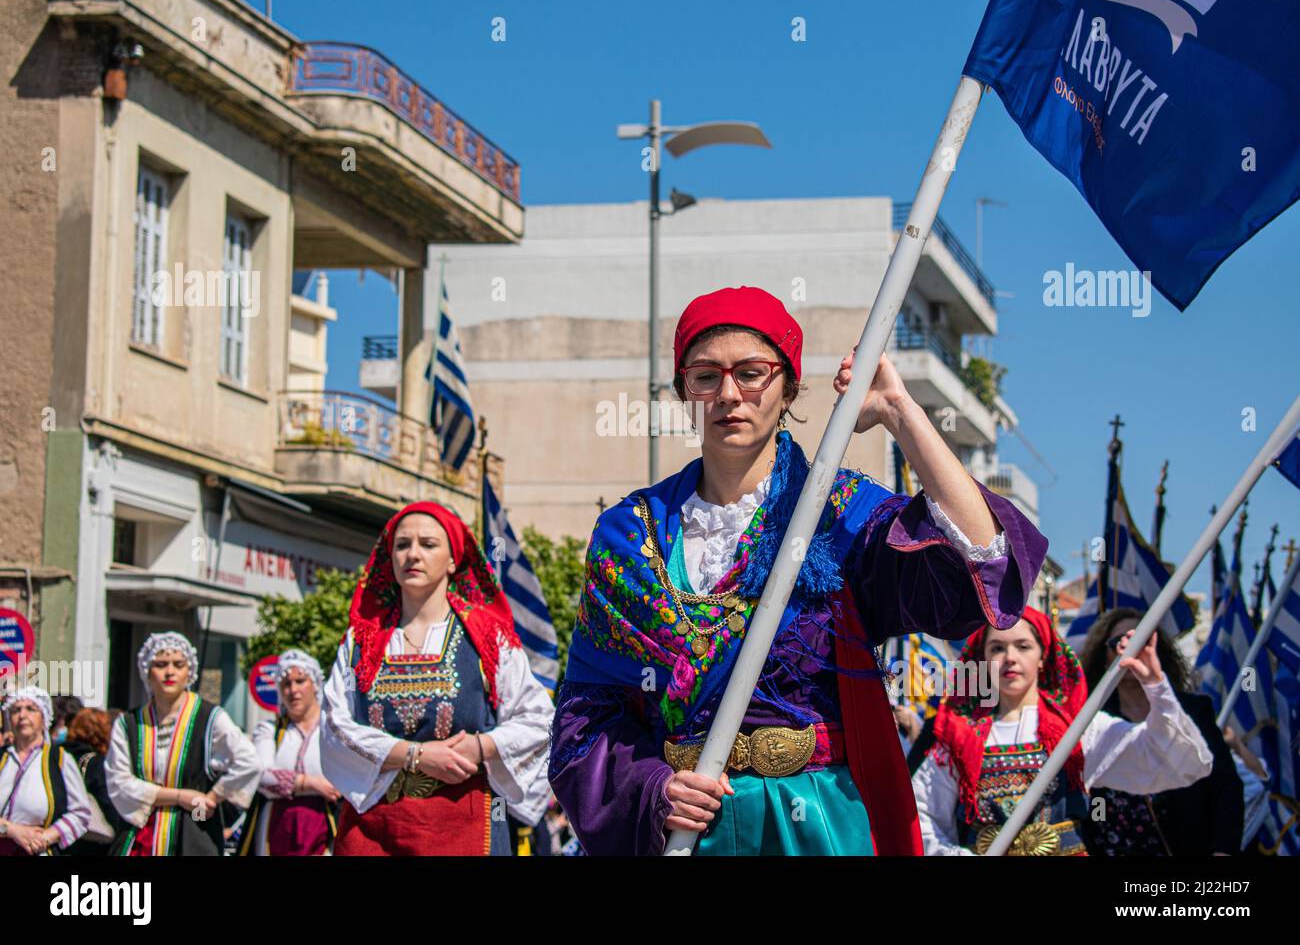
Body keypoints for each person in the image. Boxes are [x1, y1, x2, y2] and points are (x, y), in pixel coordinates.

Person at [548, 285, 1048, 856]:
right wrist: (654, 788)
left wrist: (899, 412)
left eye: (752, 373)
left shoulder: (837, 513)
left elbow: (982, 558)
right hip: (687, 829)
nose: (728, 394)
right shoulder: (627, 533)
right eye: (705, 376)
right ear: (683, 391)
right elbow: (587, 716)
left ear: (788, 386)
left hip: (816, 827)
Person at [320, 501, 554, 855]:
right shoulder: (362, 639)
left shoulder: (488, 637)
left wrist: (480, 746)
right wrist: (413, 755)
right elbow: (334, 725)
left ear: (452, 559)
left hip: (465, 825)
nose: (412, 554)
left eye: (428, 544)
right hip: (374, 830)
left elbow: (539, 720)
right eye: (402, 545)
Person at [912, 607, 1213, 855]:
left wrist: (1155, 685)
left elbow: (1171, 762)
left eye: (1023, 646)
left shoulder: (1078, 729)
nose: (1010, 657)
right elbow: (921, 814)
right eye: (997, 648)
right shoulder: (959, 736)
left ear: (1042, 657)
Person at [1079, 607, 1243, 855]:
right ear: (1104, 656)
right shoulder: (1089, 720)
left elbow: (1225, 785)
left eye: (1140, 641)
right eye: (1118, 642)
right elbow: (1088, 800)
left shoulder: (1192, 712)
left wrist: (1222, 850)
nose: (1130, 650)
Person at [104, 631, 260, 855]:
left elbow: (249, 761)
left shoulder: (210, 718)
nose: (170, 672)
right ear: (147, 672)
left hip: (194, 824)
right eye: (161, 664)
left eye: (178, 664)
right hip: (141, 830)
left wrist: (212, 797)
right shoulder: (129, 723)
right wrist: (179, 796)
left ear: (190, 672)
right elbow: (118, 780)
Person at [240, 649, 340, 855]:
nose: (293, 690)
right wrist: (311, 783)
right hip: (278, 827)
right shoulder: (270, 730)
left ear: (315, 684)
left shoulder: (334, 729)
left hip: (325, 824)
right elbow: (262, 774)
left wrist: (287, 782)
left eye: (300, 681)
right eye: (286, 684)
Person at [0, 686, 93, 855]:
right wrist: (11, 830)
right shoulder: (2, 757)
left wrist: (44, 838)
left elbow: (80, 813)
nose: (22, 716)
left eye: (30, 709)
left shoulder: (59, 759)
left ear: (43, 718)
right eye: (16, 710)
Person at [63, 707, 127, 855]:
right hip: (90, 844)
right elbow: (109, 806)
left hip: (60, 838)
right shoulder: (96, 763)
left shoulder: (56, 754)